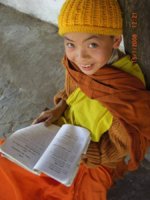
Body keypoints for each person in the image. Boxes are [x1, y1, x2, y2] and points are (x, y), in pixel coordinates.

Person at [0, 0, 150, 200]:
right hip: (61, 134)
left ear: (115, 40)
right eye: (70, 44)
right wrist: (57, 110)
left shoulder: (124, 92)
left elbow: (117, 147)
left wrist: (82, 153)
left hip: (94, 158)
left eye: (92, 44)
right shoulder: (77, 65)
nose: (80, 56)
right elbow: (69, 94)